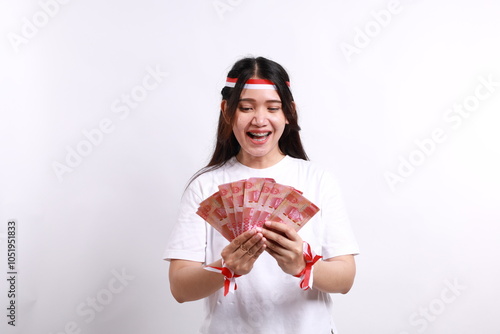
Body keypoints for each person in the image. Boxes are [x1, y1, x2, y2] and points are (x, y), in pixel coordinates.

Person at [163, 56, 359, 334]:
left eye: (273, 107)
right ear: (227, 111)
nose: (259, 119)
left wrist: (303, 266)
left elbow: (345, 279)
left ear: (288, 112)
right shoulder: (205, 186)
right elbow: (180, 287)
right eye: (245, 107)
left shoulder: (319, 180)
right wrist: (226, 268)